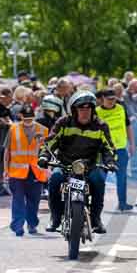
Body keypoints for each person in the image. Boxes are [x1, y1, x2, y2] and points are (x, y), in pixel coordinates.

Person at [39, 91, 117, 234]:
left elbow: (108, 148)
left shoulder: (100, 125)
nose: (85, 112)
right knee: (55, 179)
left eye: (88, 108)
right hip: (65, 165)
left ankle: (96, 219)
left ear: (93, 110)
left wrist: (111, 162)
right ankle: (55, 218)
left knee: (99, 181)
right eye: (81, 108)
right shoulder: (63, 123)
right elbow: (50, 142)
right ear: (74, 110)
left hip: (90, 166)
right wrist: (44, 156)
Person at [5, 105, 48, 236]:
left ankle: (32, 224)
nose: (28, 121)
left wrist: (48, 169)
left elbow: (47, 151)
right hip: (16, 171)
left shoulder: (43, 130)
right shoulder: (13, 129)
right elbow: (7, 151)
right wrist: (5, 169)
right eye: (26, 119)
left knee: (33, 200)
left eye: (30, 119)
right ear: (20, 116)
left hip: (36, 171)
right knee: (18, 199)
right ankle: (18, 226)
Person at [95, 89, 134, 211]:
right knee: (100, 178)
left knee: (122, 178)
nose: (112, 101)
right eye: (109, 99)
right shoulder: (97, 111)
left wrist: (132, 144)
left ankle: (122, 203)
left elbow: (128, 126)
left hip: (120, 148)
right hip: (104, 150)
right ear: (103, 99)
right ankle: (97, 204)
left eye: (113, 99)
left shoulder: (121, 108)